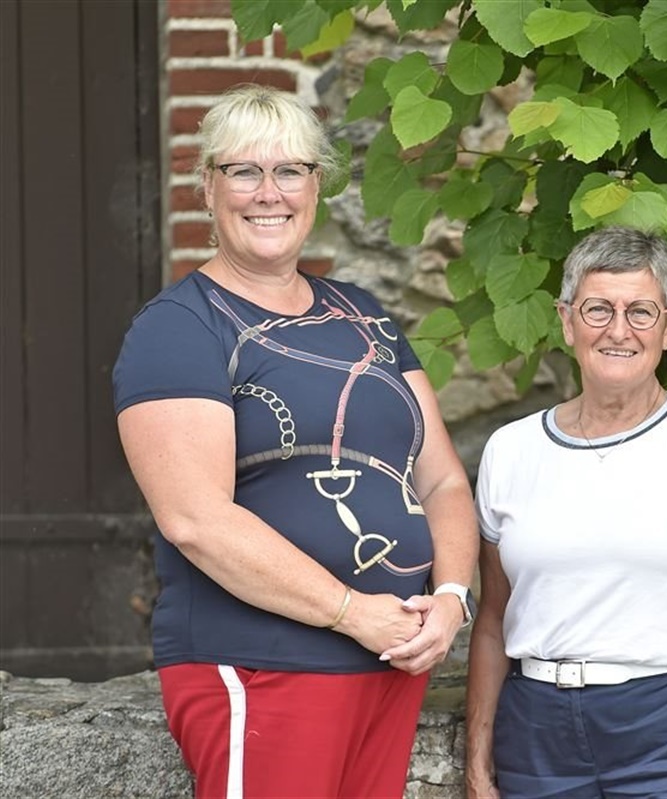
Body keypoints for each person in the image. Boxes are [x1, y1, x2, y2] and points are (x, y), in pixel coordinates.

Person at [113, 85, 478, 798]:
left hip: (388, 664)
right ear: (208, 187)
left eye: (290, 170)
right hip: (262, 665)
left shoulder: (363, 315)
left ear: (316, 185)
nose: (268, 192)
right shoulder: (180, 328)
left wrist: (452, 597)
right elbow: (195, 520)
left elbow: (441, 480)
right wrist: (352, 611)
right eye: (244, 171)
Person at [464, 226, 667, 799]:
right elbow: (491, 622)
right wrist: (477, 767)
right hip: (535, 736)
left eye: (640, 312)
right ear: (566, 320)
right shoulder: (510, 451)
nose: (618, 330)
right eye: (598, 309)